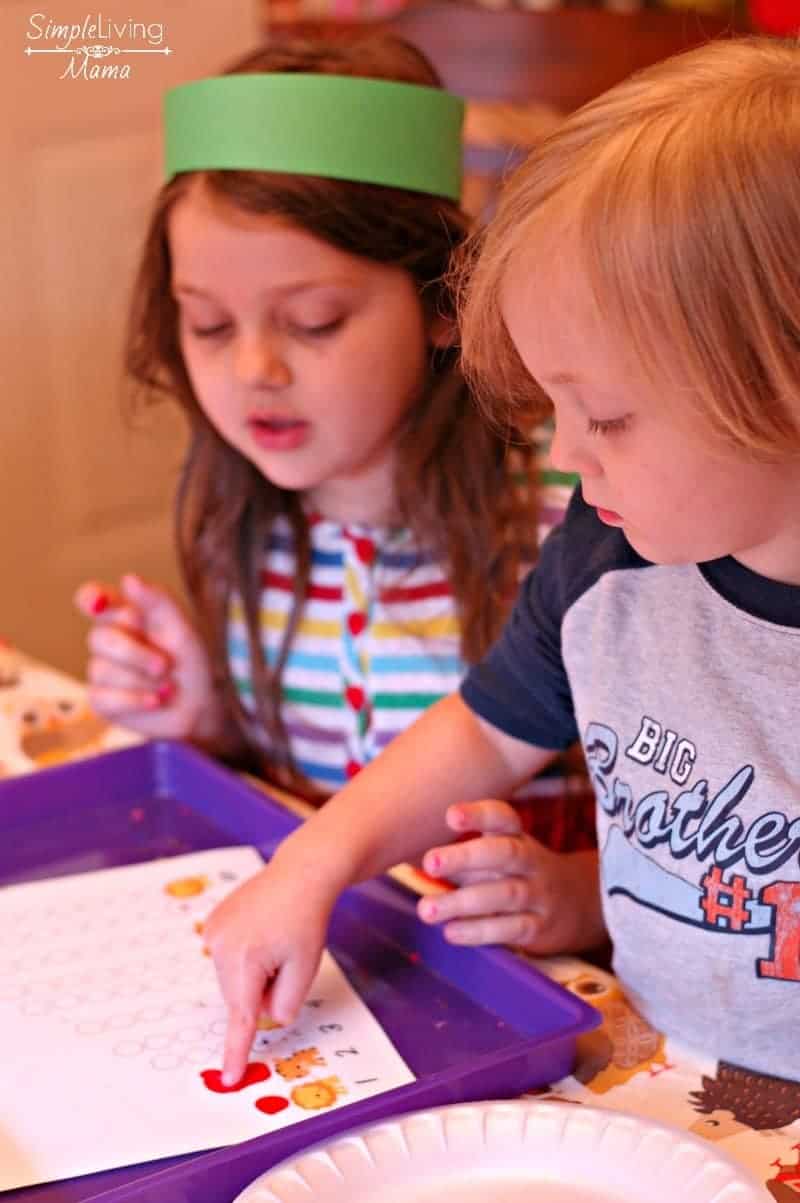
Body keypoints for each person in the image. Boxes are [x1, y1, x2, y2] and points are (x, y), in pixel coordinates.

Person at [204, 35, 800, 1088]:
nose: (563, 456)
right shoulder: (603, 555)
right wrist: (313, 863)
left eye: (606, 416)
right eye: (555, 408)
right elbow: (482, 729)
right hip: (662, 1066)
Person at [74, 39, 592, 842]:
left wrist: (567, 889)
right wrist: (207, 720)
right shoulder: (236, 515)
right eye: (208, 325)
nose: (253, 369)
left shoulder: (577, 502)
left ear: (443, 298)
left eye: (313, 321)